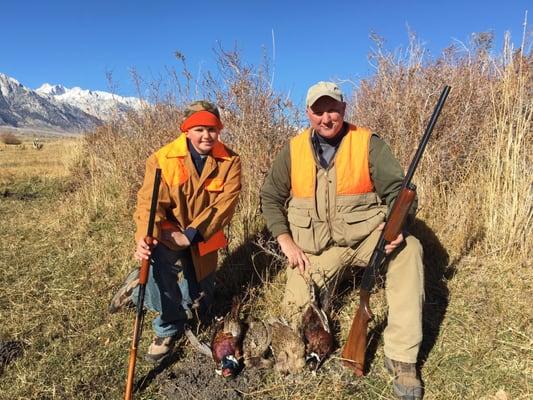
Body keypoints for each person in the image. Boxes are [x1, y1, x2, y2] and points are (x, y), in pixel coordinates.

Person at [260, 82, 424, 399]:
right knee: (293, 318)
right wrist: (284, 239)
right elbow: (269, 196)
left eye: (332, 109)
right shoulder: (293, 150)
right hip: (315, 249)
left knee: (410, 250)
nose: (326, 118)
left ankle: (402, 358)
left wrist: (398, 225)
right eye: (318, 111)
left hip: (367, 239)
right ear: (308, 113)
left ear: (344, 109)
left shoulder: (368, 143)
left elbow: (399, 192)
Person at [109, 101, 241, 363]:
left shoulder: (231, 161)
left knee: (200, 307)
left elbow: (225, 205)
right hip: (168, 233)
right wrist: (144, 238)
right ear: (186, 131)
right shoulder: (162, 159)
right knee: (160, 264)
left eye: (212, 129)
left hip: (204, 236)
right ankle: (166, 329)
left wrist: (191, 234)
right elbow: (148, 204)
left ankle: (137, 288)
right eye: (199, 129)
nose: (207, 136)